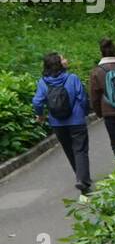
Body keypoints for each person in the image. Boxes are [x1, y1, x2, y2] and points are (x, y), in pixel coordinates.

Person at [32, 51, 92, 195]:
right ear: (60, 64)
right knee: (80, 150)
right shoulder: (72, 78)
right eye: (63, 58)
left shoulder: (42, 82)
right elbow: (82, 97)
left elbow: (37, 101)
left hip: (57, 123)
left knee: (69, 150)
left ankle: (80, 177)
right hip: (76, 120)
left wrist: (40, 115)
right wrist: (84, 112)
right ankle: (82, 180)